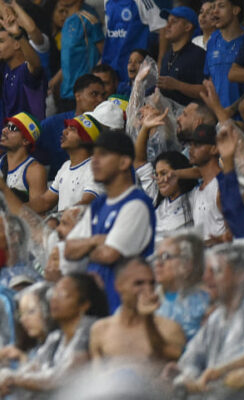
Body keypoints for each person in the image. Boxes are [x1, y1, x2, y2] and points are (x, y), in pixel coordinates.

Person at [172, 243, 244, 396]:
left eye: (216, 271)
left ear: (240, 275)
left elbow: (232, 381)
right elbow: (191, 357)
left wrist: (193, 385)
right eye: (207, 271)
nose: (206, 278)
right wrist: (188, 376)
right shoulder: (218, 316)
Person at [65, 130, 155, 310]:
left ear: (124, 162)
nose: (94, 161)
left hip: (123, 308)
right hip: (95, 308)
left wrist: (85, 249)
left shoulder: (137, 204)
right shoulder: (99, 204)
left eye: (103, 155)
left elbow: (109, 255)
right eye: (94, 155)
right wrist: (96, 241)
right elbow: (68, 249)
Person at [0, 273, 109, 395]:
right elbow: (33, 369)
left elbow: (61, 378)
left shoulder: (90, 330)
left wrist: (13, 379)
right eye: (54, 294)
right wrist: (6, 377)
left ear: (84, 304)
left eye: (62, 295)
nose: (54, 300)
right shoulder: (56, 337)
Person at [89, 257, 186, 363]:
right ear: (118, 286)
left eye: (152, 283)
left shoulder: (170, 328)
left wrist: (148, 319)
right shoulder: (100, 329)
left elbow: (175, 363)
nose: (148, 289)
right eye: (139, 283)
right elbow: (97, 374)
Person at [0, 1, 47, 121]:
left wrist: (17, 34)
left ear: (17, 44)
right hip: (9, 133)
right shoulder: (5, 66)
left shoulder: (27, 70)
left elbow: (36, 64)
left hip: (29, 136)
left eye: (1, 41)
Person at [36, 74, 106, 178]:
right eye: (94, 94)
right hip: (55, 183)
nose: (100, 100)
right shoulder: (53, 123)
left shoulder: (105, 126)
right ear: (78, 96)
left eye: (103, 95)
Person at [153, 234, 212, 340]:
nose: (158, 263)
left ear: (186, 264)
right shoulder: (150, 300)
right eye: (156, 257)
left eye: (165, 257)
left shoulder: (206, 303)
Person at [182, 124, 229, 245]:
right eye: (190, 145)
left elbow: (235, 233)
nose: (191, 150)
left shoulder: (223, 186)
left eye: (197, 145)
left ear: (215, 149)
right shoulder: (198, 191)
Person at [101, 0, 165, 88]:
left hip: (134, 65)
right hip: (112, 65)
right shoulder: (107, 2)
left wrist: (161, 60)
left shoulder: (141, 1)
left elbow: (162, 26)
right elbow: (111, 33)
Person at [0, 112, 48, 212]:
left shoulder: (34, 171)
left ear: (25, 140)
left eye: (12, 128)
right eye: (6, 126)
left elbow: (38, 215)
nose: (4, 130)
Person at [158, 6, 206, 105]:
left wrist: (178, 85)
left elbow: (205, 90)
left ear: (187, 27)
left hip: (188, 117)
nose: (167, 26)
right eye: (168, 22)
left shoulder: (198, 55)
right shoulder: (167, 56)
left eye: (174, 21)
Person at [204, 0, 244, 107]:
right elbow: (209, 79)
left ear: (235, 10)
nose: (215, 11)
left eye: (221, 6)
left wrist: (231, 110)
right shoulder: (212, 40)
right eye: (213, 7)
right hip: (218, 117)